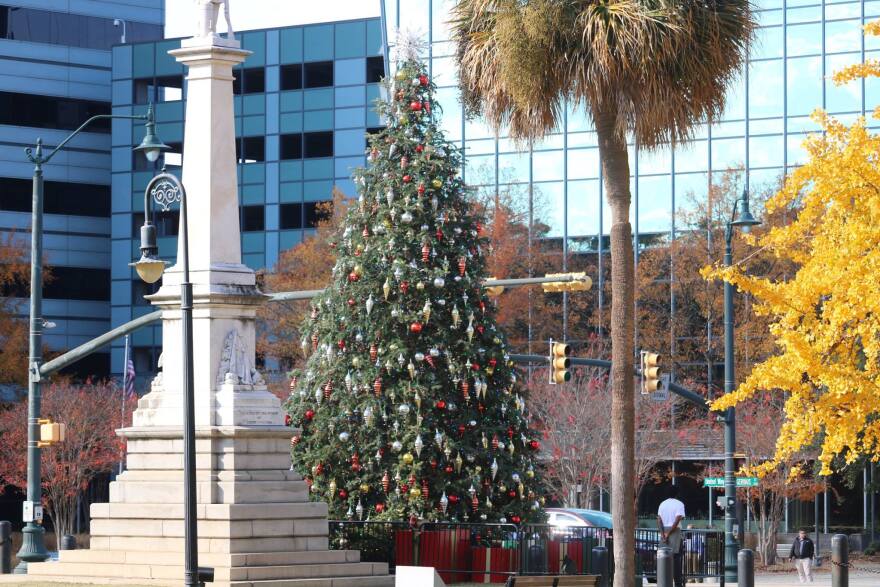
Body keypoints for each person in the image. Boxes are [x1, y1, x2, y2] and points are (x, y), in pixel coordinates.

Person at [657, 485, 686, 587]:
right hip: (675, 531)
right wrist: (669, 533)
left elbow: (659, 520)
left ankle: (663, 581)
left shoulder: (662, 504)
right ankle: (678, 583)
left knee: (663, 557)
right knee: (676, 559)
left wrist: (663, 534)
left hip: (663, 530)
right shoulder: (679, 504)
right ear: (677, 493)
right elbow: (678, 519)